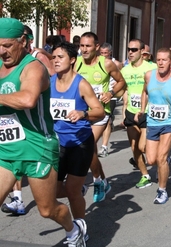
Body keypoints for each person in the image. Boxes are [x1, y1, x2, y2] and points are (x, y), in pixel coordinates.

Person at [0, 17, 86, 246]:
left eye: (7, 45)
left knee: (47, 210)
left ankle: (74, 229)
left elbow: (27, 99)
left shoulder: (33, 67)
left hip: (37, 147)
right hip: (6, 149)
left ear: (22, 42)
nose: (2, 51)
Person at [51, 42, 105, 242]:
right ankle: (78, 192)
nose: (55, 60)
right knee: (55, 191)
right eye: (53, 57)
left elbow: (99, 111)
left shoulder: (81, 83)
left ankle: (80, 228)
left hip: (80, 143)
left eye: (60, 57)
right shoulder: (48, 82)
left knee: (72, 190)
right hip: (57, 145)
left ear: (72, 60)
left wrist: (83, 113)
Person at [136, 48, 171, 204]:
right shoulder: (149, 76)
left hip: (169, 123)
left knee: (160, 158)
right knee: (151, 160)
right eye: (159, 60)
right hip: (153, 122)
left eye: (164, 60)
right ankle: (165, 162)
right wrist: (142, 109)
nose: (161, 63)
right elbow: (144, 92)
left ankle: (162, 191)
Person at [75, 32, 126, 203]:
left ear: (96, 47)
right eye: (82, 46)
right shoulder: (77, 63)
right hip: (82, 114)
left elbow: (121, 82)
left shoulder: (107, 64)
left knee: (86, 147)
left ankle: (95, 182)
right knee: (91, 152)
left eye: (88, 46)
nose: (84, 49)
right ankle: (104, 181)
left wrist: (111, 93)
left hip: (100, 114)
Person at [121, 39, 157, 188]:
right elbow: (124, 91)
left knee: (143, 148)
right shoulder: (124, 70)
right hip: (131, 112)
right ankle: (145, 175)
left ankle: (160, 156)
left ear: (142, 51)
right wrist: (124, 113)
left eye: (134, 49)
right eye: (129, 49)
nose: (130, 52)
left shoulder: (152, 67)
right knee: (134, 148)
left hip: (147, 112)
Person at [98, 42, 123, 157]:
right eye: (101, 53)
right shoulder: (96, 62)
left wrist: (115, 92)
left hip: (111, 96)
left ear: (110, 53)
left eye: (105, 53)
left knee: (106, 120)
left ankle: (104, 147)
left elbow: (122, 80)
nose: (103, 55)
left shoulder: (116, 64)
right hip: (98, 95)